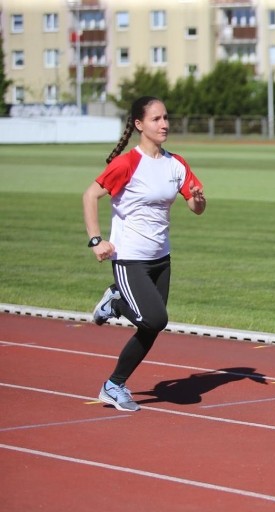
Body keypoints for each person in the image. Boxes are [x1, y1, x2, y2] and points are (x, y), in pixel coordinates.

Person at [82, 95, 206, 412]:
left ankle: (114, 385)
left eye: (166, 118)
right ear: (139, 124)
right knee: (155, 318)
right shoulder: (126, 163)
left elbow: (196, 209)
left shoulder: (175, 163)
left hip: (161, 258)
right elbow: (90, 195)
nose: (164, 124)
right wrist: (96, 240)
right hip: (129, 257)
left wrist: (197, 198)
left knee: (151, 326)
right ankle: (117, 300)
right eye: (156, 119)